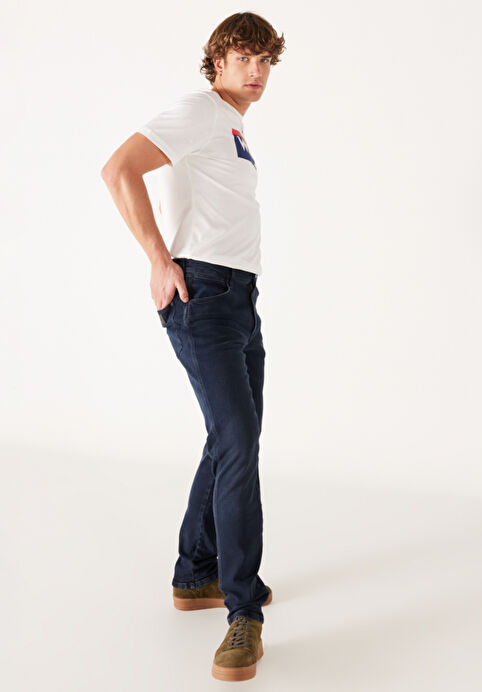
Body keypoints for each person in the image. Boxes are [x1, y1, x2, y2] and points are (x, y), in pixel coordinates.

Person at [101, 11, 285, 682]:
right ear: (217, 62)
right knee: (237, 442)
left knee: (230, 437)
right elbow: (119, 169)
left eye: (265, 60)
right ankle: (243, 612)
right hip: (203, 295)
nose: (255, 71)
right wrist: (158, 258)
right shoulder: (200, 111)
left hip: (239, 300)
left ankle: (195, 572)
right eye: (243, 58)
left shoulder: (231, 126)